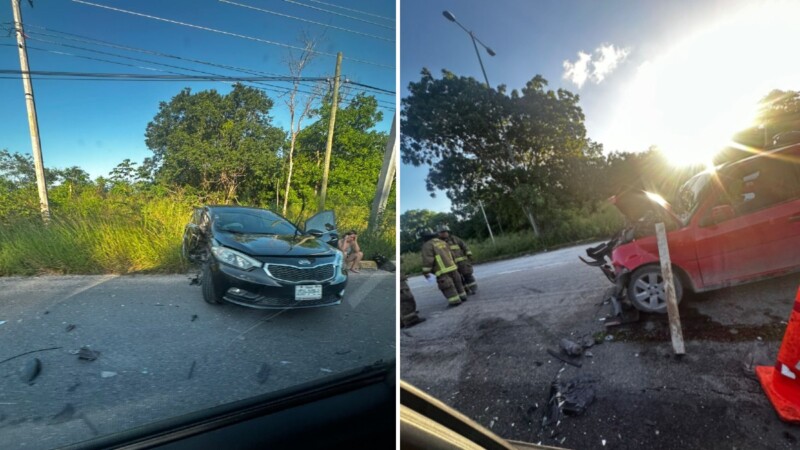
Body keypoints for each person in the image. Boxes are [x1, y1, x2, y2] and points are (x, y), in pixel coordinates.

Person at [419, 227, 467, 307]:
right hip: (453, 268)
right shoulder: (442, 242)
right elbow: (453, 254)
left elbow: (428, 260)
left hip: (442, 271)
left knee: (448, 287)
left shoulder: (427, 245)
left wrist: (426, 271)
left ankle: (455, 301)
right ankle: (463, 296)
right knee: (458, 283)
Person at [437, 224, 477, 294]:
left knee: (468, 275)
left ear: (448, 232)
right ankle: (465, 290)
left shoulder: (455, 239)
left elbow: (464, 246)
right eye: (442, 232)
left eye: (445, 232)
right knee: (458, 279)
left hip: (463, 263)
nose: (444, 233)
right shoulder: (438, 243)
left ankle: (473, 288)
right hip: (451, 265)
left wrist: (469, 255)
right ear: (439, 234)